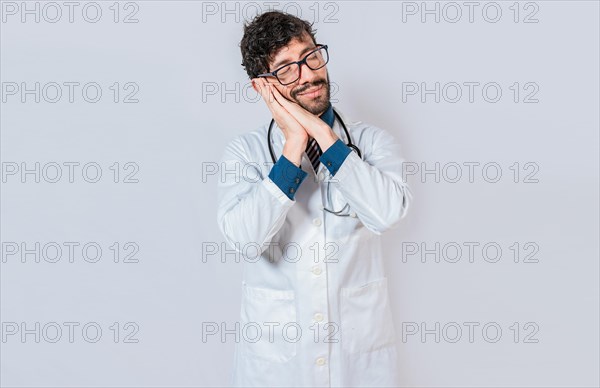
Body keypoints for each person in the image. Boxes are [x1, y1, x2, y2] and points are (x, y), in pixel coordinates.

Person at [216, 10, 412, 387]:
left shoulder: (371, 143)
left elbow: (387, 214)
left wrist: (325, 138)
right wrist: (293, 145)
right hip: (276, 365)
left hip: (357, 361)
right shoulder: (245, 153)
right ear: (263, 87)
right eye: (287, 69)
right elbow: (245, 239)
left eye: (311, 56)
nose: (308, 74)